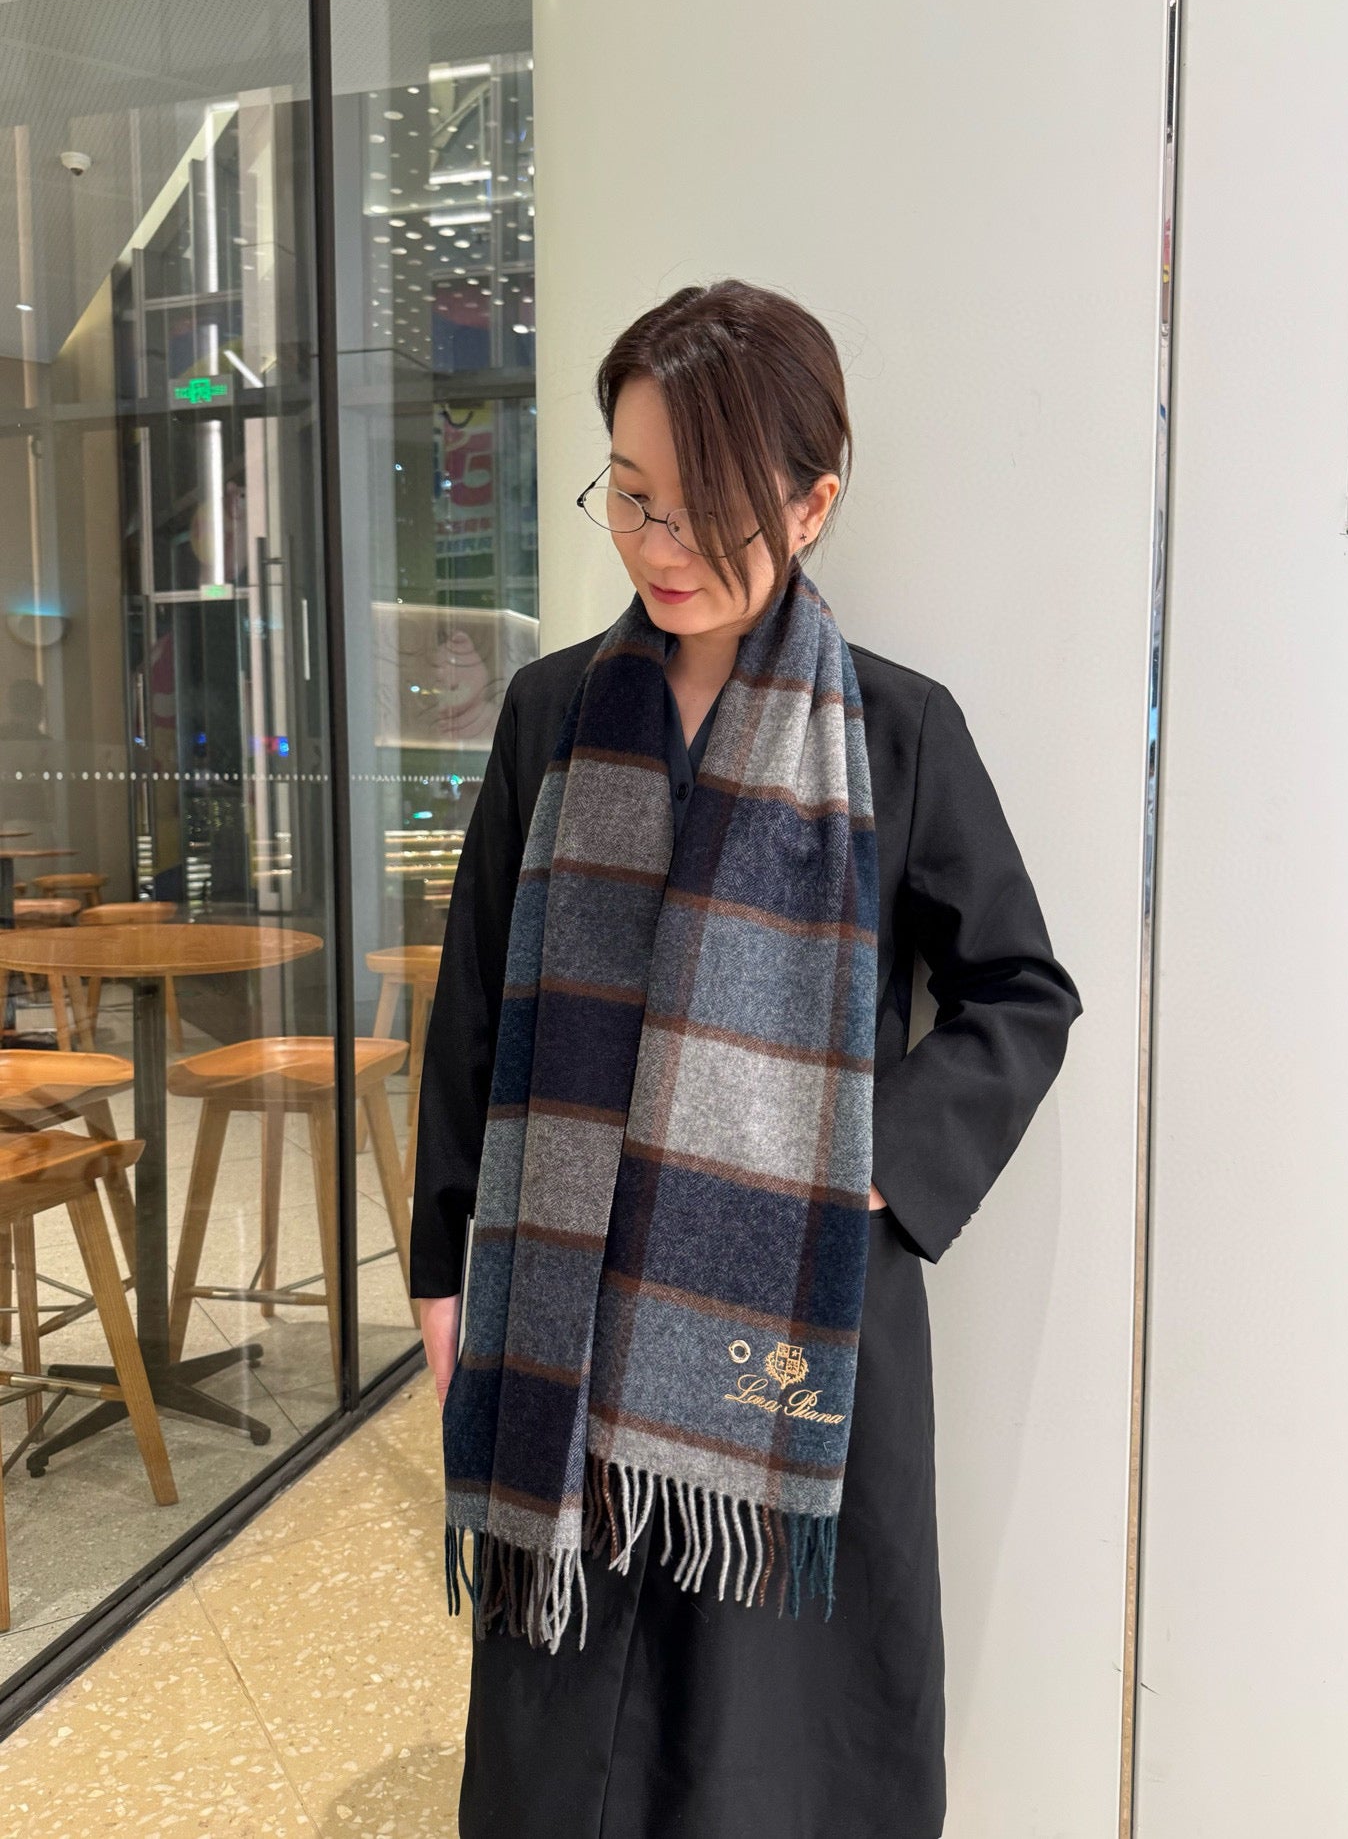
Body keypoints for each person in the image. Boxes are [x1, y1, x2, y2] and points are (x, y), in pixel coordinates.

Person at [410, 278, 1083, 1839]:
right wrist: (446, 1265)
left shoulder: (895, 735)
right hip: (567, 1314)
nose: (658, 546)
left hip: (788, 1323)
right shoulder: (551, 716)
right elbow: (477, 1006)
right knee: (565, 1750)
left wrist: (866, 1171)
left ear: (812, 503)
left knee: (767, 1752)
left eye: (702, 509)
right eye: (630, 495)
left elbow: (1020, 992)